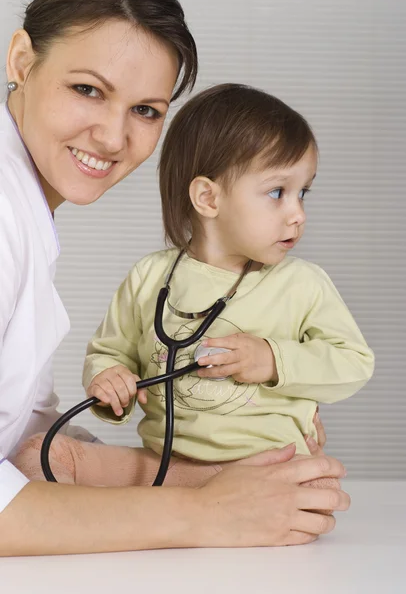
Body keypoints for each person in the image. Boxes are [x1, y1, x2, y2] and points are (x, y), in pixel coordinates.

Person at [0, 0, 351, 557]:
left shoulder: (24, 211)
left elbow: (20, 440)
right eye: (87, 89)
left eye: (146, 110)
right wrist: (204, 510)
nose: (114, 138)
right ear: (21, 60)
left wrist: (239, 451)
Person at [15, 84, 374, 501]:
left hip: (265, 468)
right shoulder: (151, 277)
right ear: (208, 197)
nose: (298, 214)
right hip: (170, 466)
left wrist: (273, 359)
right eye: (277, 192)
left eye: (303, 193)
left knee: (317, 490)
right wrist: (108, 381)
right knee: (39, 457)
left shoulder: (302, 284)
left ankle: (190, 510)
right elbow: (111, 353)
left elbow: (354, 363)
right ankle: (194, 506)